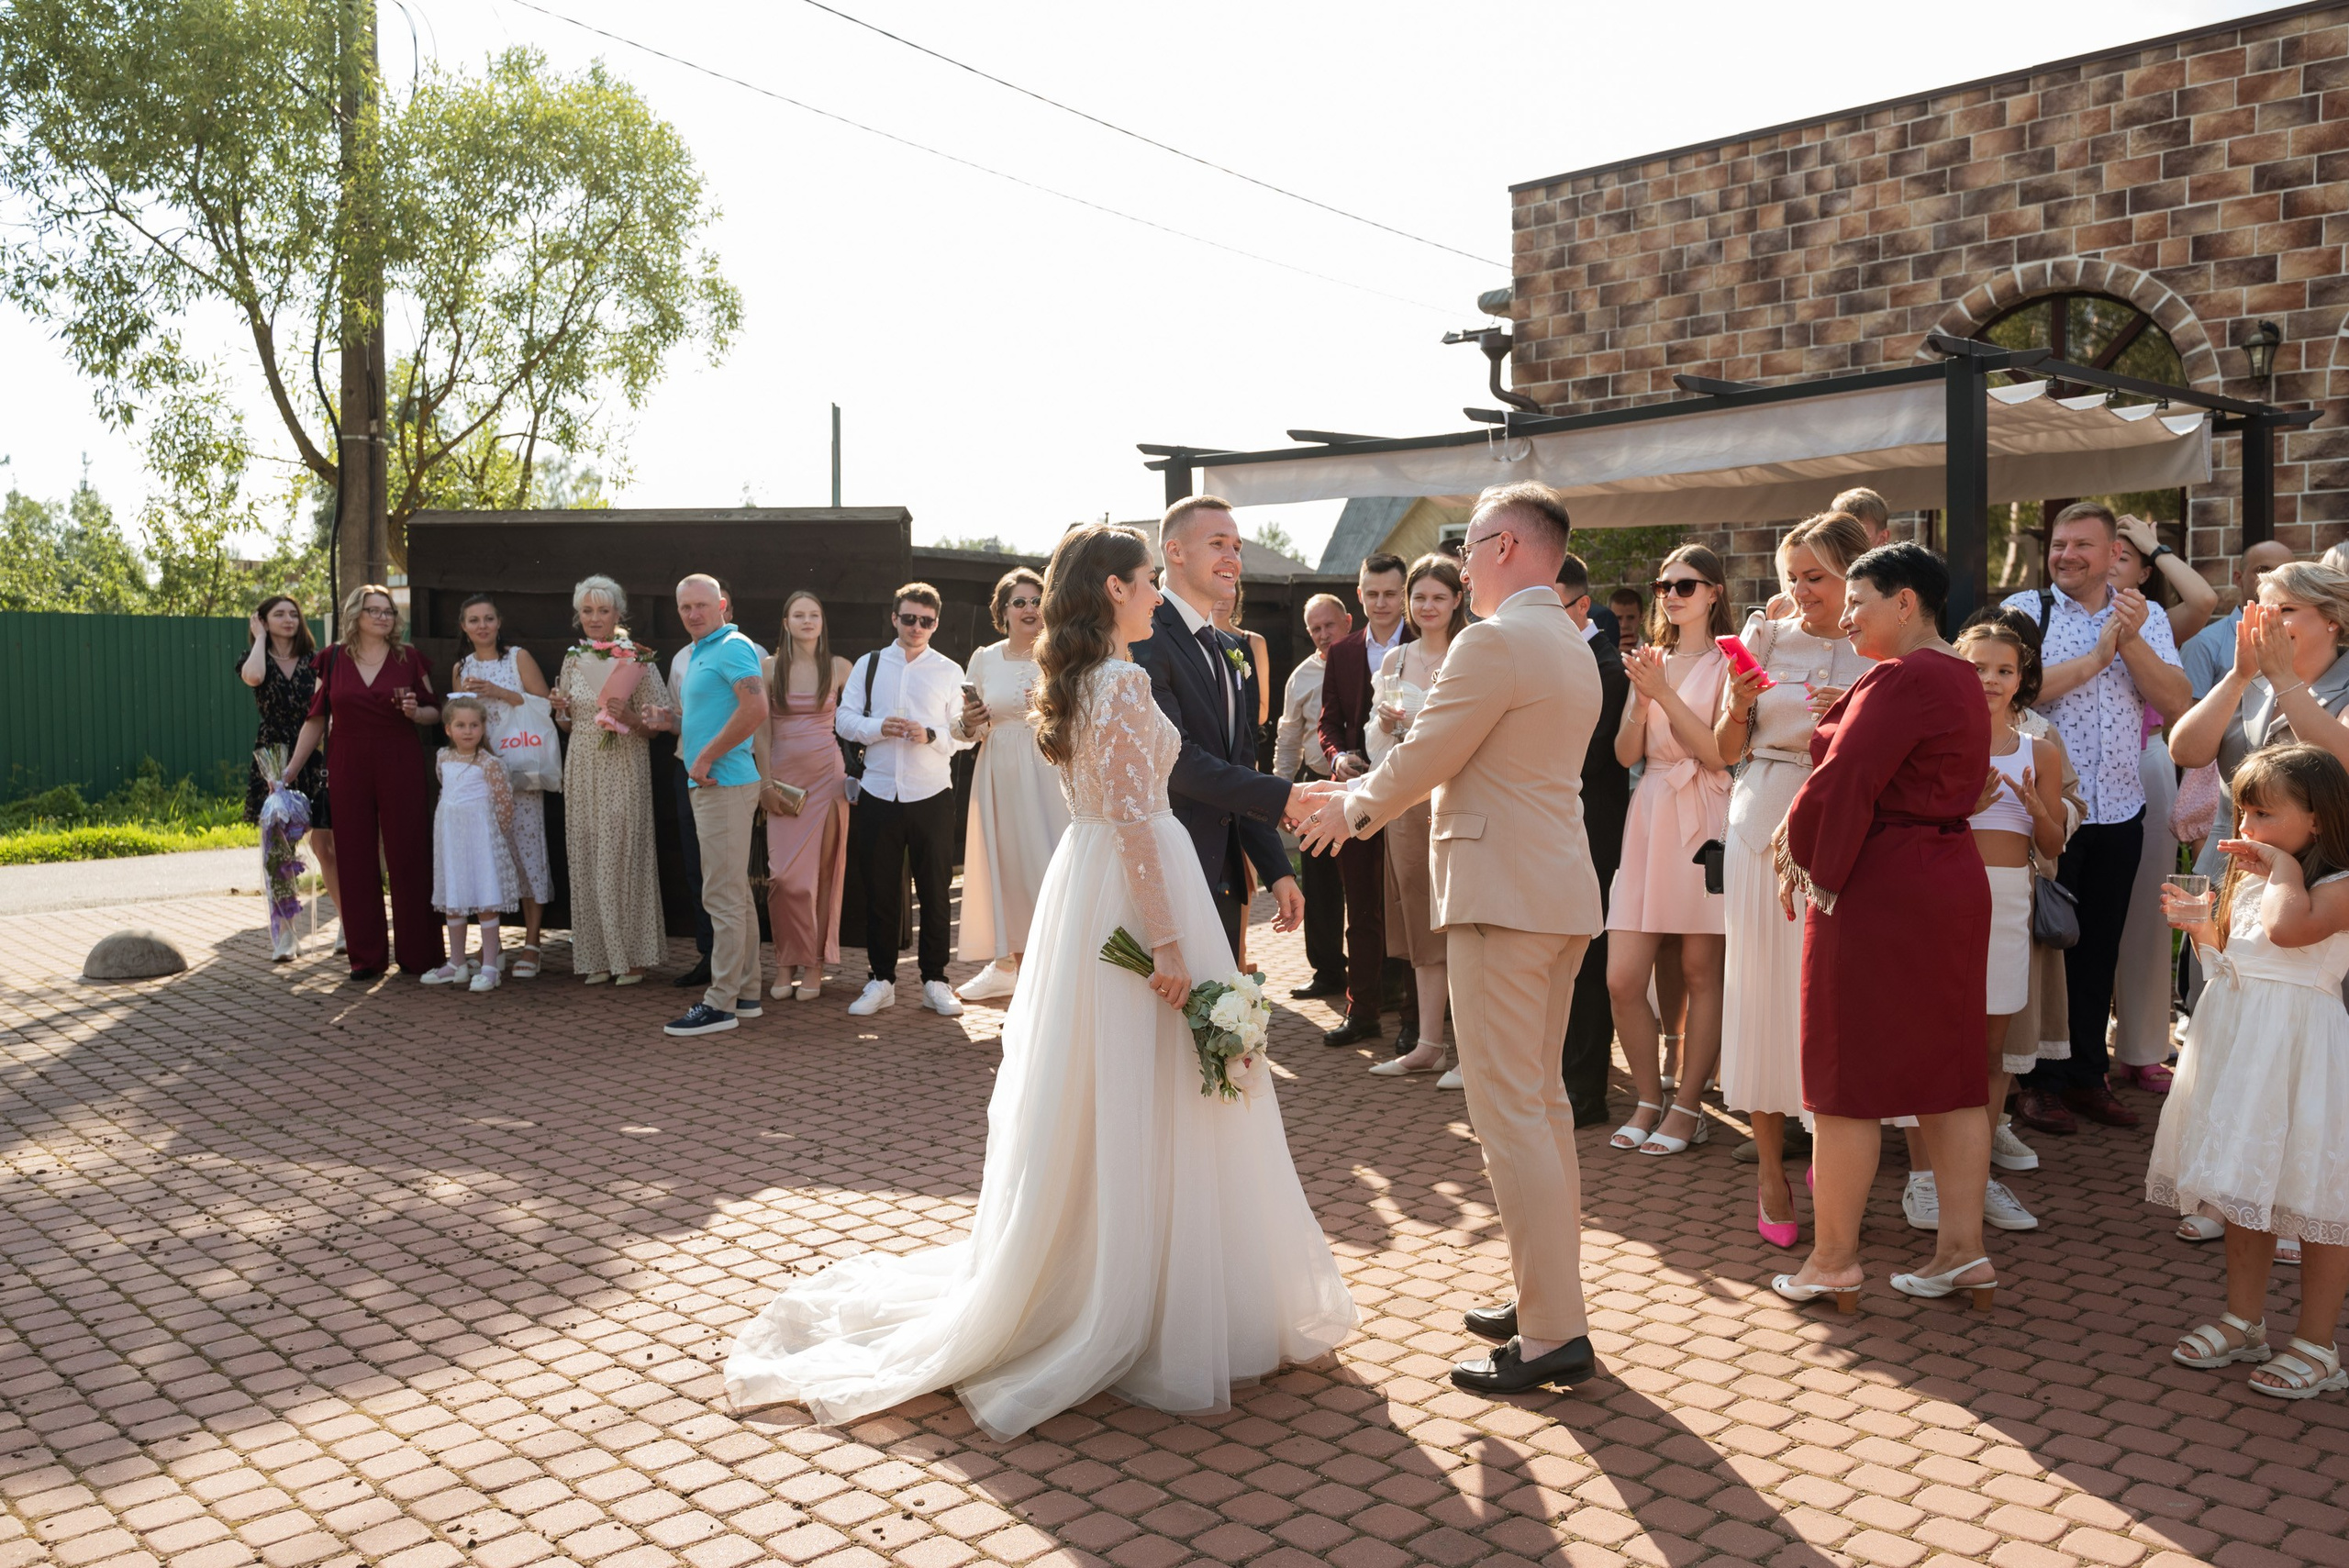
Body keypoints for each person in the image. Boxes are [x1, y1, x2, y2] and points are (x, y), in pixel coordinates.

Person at [724, 523, 1355, 1438]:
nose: (1150, 595)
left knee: (1106, 1085)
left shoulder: (1070, 682)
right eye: (1143, 580)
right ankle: (1145, 1296)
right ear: (1112, 590)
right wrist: (1173, 946)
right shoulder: (1124, 682)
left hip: (1086, 886)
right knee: (1164, 1080)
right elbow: (1141, 822)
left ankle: (1102, 1262)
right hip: (1139, 890)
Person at [1297, 481, 1605, 1395]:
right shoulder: (1568, 641)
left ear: (1506, 545)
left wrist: (1348, 808)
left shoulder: (1496, 638)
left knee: (1511, 1113)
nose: (1460, 564)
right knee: (1539, 1107)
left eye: (1468, 546)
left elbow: (1429, 749)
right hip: (1552, 894)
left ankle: (1551, 1329)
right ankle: (1545, 1294)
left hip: (1501, 899)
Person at [1772, 544, 1998, 1313]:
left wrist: (1801, 854)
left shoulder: (1904, 675)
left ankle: (1833, 1257)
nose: (1847, 614)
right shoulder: (1961, 674)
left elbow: (1846, 777)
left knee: (1844, 1076)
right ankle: (1963, 1251)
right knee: (1952, 1071)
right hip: (1949, 874)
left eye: (1859, 599)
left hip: (1884, 878)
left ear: (1906, 603)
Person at [2151, 744, 2349, 1398]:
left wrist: (2282, 866)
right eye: (2243, 811)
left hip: (2300, 1050)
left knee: (2317, 1196)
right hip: (2241, 1041)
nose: (2247, 827)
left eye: (2263, 813)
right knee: (2243, 1179)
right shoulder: (2260, 874)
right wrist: (2200, 929)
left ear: (2317, 819)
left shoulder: (2334, 881)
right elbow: (2240, 953)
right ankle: (2244, 1320)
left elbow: (2292, 933)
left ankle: (2319, 1344)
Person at [2001, 501, 2191, 1138]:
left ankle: (2087, 1074)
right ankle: (2036, 1082)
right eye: (2059, 543)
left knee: (2099, 946)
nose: (2067, 554)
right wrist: (2094, 656)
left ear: (2115, 554)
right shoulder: (2028, 611)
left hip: (2121, 803)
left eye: (2083, 543)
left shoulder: (2148, 614)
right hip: (2049, 805)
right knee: (2044, 944)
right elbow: (2015, 691)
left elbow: (2174, 701)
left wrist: (2128, 638)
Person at [1714, 512, 1873, 1245]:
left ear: (1854, 572)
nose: (1803, 591)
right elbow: (1724, 748)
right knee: (1762, 998)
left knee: (1834, 1005)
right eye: (1793, 578)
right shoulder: (1766, 637)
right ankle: (1770, 1172)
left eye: (1817, 576)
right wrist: (1742, 705)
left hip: (1847, 833)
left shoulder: (1880, 649)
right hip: (1760, 818)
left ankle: (1833, 1151)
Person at [1130, 497, 1308, 957]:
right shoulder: (1145, 637)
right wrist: (1282, 796)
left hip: (1226, 874)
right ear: (1175, 551)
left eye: (1237, 546)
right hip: (1170, 871)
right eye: (1216, 543)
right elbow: (1177, 760)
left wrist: (1276, 868)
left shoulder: (1229, 648)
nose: (1232, 557)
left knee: (1216, 1022)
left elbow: (1238, 762)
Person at [1605, 544, 1734, 1155]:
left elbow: (1717, 753)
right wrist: (1642, 698)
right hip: (1650, 811)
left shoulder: (1731, 662)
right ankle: (1648, 1097)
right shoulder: (1647, 660)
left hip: (1705, 812)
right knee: (1622, 976)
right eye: (1665, 584)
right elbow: (1625, 754)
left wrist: (1665, 691)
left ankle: (1688, 1106)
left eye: (1687, 584)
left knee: (1702, 970)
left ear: (1714, 592)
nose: (1673, 595)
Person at [1943, 616, 2068, 1234]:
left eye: (2004, 670)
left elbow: (2052, 844)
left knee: (1991, 1050)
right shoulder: (1939, 743)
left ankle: (1979, 1165)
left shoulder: (2040, 750)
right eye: (1977, 667)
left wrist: (2044, 810)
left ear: (2021, 680)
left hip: (2010, 900)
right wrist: (1963, 808)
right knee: (1939, 1040)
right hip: (1941, 902)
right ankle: (1934, 1174)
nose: (1990, 679)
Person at [2104, 517, 2221, 1090]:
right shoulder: (2053, 617)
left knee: (2149, 906)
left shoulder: (2155, 621)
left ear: (2145, 571)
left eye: (2122, 555)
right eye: (2098, 550)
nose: (2106, 560)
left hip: (2146, 759)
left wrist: (2154, 546)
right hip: (2065, 762)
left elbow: (2203, 597)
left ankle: (2144, 1045)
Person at [280, 584, 442, 982]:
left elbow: (436, 712)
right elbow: (316, 719)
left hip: (399, 758)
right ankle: (366, 957)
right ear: (356, 615)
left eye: (388, 611)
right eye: (374, 611)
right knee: (353, 858)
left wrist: (415, 712)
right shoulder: (332, 659)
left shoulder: (410, 658)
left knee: (409, 855)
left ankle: (419, 955)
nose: (383, 617)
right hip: (348, 762)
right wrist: (287, 772)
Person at [837, 582, 974, 1018]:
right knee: (879, 891)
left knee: (935, 890)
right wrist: (880, 727)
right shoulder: (870, 663)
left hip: (931, 793)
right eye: (909, 618)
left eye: (926, 621)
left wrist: (929, 734)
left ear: (936, 623)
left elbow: (964, 737)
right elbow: (844, 719)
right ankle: (881, 980)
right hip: (878, 790)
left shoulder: (950, 670)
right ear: (894, 618)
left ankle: (935, 980)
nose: (917, 627)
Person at [2172, 562, 2349, 897]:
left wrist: (2284, 678)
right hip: (2225, 875)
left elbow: (2343, 762)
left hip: (2313, 883)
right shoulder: (2248, 681)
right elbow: (2185, 752)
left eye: (2286, 609)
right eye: (2262, 610)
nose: (2269, 621)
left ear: (2332, 619)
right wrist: (2238, 675)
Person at [1365, 555, 1467, 1084]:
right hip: (1407, 806)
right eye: (1420, 597)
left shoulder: (1471, 653)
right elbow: (1375, 743)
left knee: (1466, 925)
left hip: (1460, 800)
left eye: (1439, 597)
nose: (1428, 607)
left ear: (1456, 602)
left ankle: (1472, 1052)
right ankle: (1430, 1044)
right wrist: (1381, 723)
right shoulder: (1394, 661)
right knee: (1420, 929)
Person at [952, 568, 1071, 1004]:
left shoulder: (1062, 654)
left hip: (1053, 773)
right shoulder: (984, 658)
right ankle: (1026, 992)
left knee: (1054, 874)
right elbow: (963, 729)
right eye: (1018, 602)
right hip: (1000, 778)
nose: (1029, 608)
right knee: (1013, 880)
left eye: (1036, 600)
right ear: (1003, 611)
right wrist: (967, 722)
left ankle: (1060, 991)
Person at [551, 575, 671, 986]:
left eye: (603, 610)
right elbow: (568, 723)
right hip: (582, 762)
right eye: (587, 611)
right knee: (585, 854)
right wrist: (560, 712)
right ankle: (597, 956)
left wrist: (633, 718)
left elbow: (660, 722)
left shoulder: (635, 657)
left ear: (619, 613)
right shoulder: (572, 657)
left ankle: (632, 958)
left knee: (620, 856)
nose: (595, 618)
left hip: (623, 763)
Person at [1318, 551, 1417, 1048]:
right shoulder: (1343, 651)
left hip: (1416, 793)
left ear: (1404, 594)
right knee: (1361, 903)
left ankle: (1417, 1020)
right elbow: (1329, 721)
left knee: (1414, 903)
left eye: (1390, 593)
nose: (1382, 602)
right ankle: (1363, 1012)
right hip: (1358, 792)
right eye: (1372, 593)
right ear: (1360, 595)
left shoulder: (1427, 643)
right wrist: (1337, 759)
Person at [664, 574, 771, 1037]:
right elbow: (714, 712)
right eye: (685, 607)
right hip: (717, 784)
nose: (693, 614)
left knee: (722, 897)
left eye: (701, 605)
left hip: (723, 783)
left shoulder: (730, 646)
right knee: (734, 895)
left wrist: (704, 755)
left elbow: (756, 707)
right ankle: (745, 994)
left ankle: (720, 1003)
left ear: (722, 604)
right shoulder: (704, 649)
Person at [1557, 553, 1631, 1128]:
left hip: (1594, 830)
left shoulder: (1607, 667)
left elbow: (1583, 757)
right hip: (1558, 829)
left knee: (1588, 961)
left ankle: (1587, 1089)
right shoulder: (1555, 655)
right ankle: (1564, 1079)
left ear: (1583, 606)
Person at [452, 594, 552, 978]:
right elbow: (460, 717)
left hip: (523, 767)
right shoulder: (461, 667)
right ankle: (492, 946)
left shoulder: (518, 658)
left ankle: (532, 943)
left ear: (498, 623)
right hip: (483, 772)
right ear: (464, 627)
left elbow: (544, 705)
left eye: (488, 619)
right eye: (474, 620)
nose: (482, 626)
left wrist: (498, 693)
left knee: (528, 851)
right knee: (489, 855)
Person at [763, 591, 852, 1003]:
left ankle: (814, 963)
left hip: (827, 780)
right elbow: (759, 733)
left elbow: (859, 719)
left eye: (814, 614)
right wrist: (764, 783)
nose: (807, 621)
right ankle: (785, 961)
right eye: (799, 614)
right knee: (783, 878)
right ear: (785, 622)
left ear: (823, 621)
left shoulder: (839, 668)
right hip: (783, 784)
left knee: (823, 876)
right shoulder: (766, 669)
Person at [241, 595, 341, 960]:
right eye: (278, 614)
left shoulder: (317, 662)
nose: (288, 620)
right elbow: (254, 677)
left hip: (314, 754)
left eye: (294, 614)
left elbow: (324, 710)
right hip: (273, 759)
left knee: (326, 845)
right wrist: (260, 640)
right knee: (278, 850)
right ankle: (286, 934)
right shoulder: (256, 659)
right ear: (264, 622)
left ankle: (347, 925)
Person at [1275, 594, 1353, 1000]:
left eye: (1330, 626)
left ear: (1348, 621)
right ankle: (1327, 971)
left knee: (1361, 886)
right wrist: (1277, 792)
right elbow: (1289, 738)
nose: (1323, 635)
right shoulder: (1300, 677)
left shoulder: (1366, 662)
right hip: (1312, 788)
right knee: (1320, 886)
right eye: (1315, 629)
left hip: (1359, 787)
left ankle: (1372, 974)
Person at [417, 695, 521, 993]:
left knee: (485, 897)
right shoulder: (443, 759)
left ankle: (490, 965)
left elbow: (504, 805)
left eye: (474, 725)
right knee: (455, 898)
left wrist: (491, 836)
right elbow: (445, 794)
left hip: (481, 843)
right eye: (460, 725)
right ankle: (457, 962)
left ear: (483, 728)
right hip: (452, 841)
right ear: (448, 729)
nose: (467, 731)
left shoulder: (490, 764)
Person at [2181, 539, 2297, 701]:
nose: (2273, 579)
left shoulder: (2304, 640)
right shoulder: (2203, 644)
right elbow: (2186, 716)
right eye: (2263, 570)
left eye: (2283, 573)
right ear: (2238, 578)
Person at [1609, 587, 1645, 654]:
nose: (1624, 625)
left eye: (1630, 618)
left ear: (1641, 618)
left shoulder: (1653, 653)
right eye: (1618, 618)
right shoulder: (1600, 654)